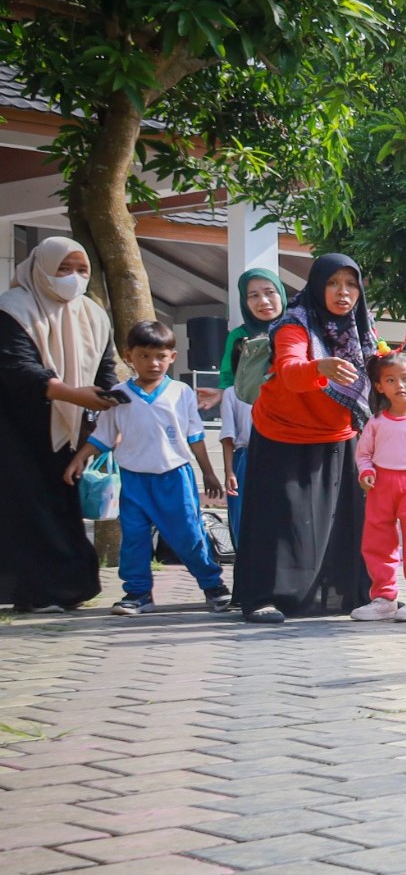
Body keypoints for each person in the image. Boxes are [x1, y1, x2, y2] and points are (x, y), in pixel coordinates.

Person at [235, 253, 375, 623]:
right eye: (332, 284)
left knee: (340, 523)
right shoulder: (293, 325)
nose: (343, 292)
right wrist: (320, 367)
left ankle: (352, 595)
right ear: (316, 287)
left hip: (337, 435)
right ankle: (265, 598)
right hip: (283, 434)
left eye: (350, 284)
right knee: (281, 525)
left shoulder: (361, 328)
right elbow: (290, 370)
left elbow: (375, 368)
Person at [68, 320, 230, 615]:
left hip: (175, 478)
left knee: (189, 536)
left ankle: (213, 586)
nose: (153, 363)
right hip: (134, 480)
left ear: (172, 357)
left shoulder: (181, 392)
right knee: (134, 538)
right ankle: (137, 594)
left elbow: (194, 436)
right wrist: (81, 457)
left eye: (160, 356)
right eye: (144, 355)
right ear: (129, 356)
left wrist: (208, 472)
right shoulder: (118, 394)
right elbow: (104, 435)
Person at [0, 236, 115, 612]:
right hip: (16, 427)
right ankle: (37, 593)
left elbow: (106, 369)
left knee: (60, 506)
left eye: (82, 270)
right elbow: (17, 369)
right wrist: (71, 394)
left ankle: (68, 589)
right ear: (41, 269)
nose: (74, 278)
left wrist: (114, 399)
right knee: (27, 507)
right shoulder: (13, 309)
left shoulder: (94, 315)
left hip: (70, 429)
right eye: (63, 269)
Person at [349, 351, 406, 621]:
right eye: (390, 380)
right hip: (381, 485)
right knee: (377, 541)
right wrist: (366, 470)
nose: (399, 385)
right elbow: (363, 453)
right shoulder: (376, 422)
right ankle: (384, 597)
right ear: (379, 386)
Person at [211, 268, 286, 544]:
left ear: (281, 294)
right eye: (253, 295)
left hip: (289, 446)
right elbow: (229, 376)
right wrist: (222, 394)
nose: (263, 301)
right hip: (250, 449)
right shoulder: (240, 335)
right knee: (248, 519)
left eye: (269, 292)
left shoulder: (294, 328)